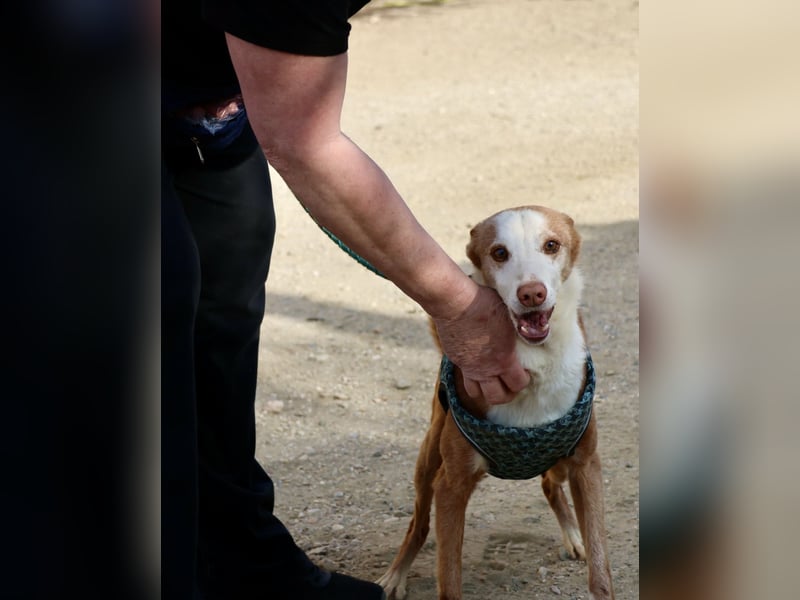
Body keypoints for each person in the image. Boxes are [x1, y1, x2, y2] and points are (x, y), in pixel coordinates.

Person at [162, 1, 531, 598]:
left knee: (227, 281)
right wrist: (458, 305)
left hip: (198, 88)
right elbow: (304, 142)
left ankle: (237, 559)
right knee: (155, 292)